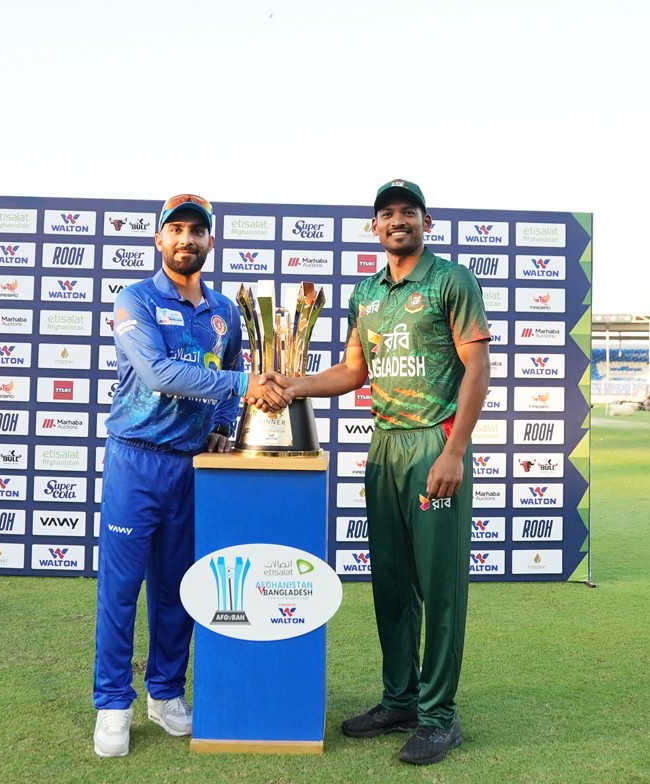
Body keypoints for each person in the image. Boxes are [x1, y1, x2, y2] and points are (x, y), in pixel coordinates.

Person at [279, 179, 491, 765]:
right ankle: (400, 698)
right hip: (384, 446)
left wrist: (455, 449)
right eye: (386, 214)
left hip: (434, 443)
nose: (397, 220)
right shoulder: (367, 293)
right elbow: (353, 371)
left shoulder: (451, 280)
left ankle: (439, 716)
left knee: (439, 586)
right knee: (392, 583)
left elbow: (478, 367)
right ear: (374, 228)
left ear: (426, 222)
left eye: (408, 212)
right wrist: (294, 384)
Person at [92, 193, 287, 758]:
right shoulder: (137, 299)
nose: (185, 239)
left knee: (179, 591)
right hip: (136, 458)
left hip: (192, 465)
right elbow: (155, 372)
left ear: (210, 242)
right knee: (122, 591)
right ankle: (112, 704)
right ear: (159, 240)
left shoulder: (224, 310)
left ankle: (166, 694)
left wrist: (226, 423)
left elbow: (230, 372)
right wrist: (240, 388)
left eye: (196, 231)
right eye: (175, 229)